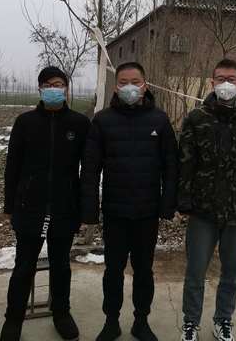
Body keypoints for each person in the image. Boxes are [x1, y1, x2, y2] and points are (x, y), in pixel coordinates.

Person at [177, 58, 236, 341]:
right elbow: (185, 162)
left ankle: (223, 320)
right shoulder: (197, 118)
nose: (226, 84)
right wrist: (182, 198)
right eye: (220, 79)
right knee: (195, 272)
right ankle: (191, 323)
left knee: (231, 273)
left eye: (232, 79)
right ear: (212, 82)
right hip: (202, 208)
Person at [81, 61, 178, 341]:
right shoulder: (102, 120)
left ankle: (141, 321)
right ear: (116, 87)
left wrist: (167, 205)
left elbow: (171, 166)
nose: (129, 87)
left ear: (145, 85)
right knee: (113, 271)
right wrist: (90, 209)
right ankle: (111, 321)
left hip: (147, 212)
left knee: (144, 271)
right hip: (115, 212)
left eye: (135, 82)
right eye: (123, 82)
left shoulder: (159, 120)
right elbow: (90, 169)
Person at [0, 66, 91, 341]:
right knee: (24, 266)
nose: (54, 89)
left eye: (59, 84)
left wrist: (85, 209)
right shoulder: (25, 122)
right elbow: (12, 166)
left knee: (61, 266)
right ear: (40, 89)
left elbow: (88, 171)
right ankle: (13, 319)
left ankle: (61, 313)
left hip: (65, 209)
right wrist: (10, 206)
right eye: (49, 84)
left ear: (67, 89)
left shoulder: (79, 123)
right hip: (30, 208)